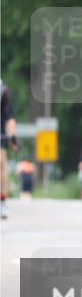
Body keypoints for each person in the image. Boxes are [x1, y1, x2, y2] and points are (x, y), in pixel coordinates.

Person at [1, 80, 16, 219]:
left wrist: (12, 138)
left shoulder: (3, 91)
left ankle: (2, 200)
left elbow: (9, 118)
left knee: (1, 164)